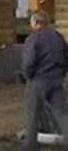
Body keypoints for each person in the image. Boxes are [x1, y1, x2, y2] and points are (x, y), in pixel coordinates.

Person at [23, 10, 68, 150]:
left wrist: (28, 76)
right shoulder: (58, 37)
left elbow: (28, 62)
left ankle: (30, 146)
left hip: (38, 81)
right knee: (62, 114)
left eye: (31, 22)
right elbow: (66, 57)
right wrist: (62, 74)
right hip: (56, 81)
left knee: (33, 116)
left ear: (36, 23)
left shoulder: (33, 38)